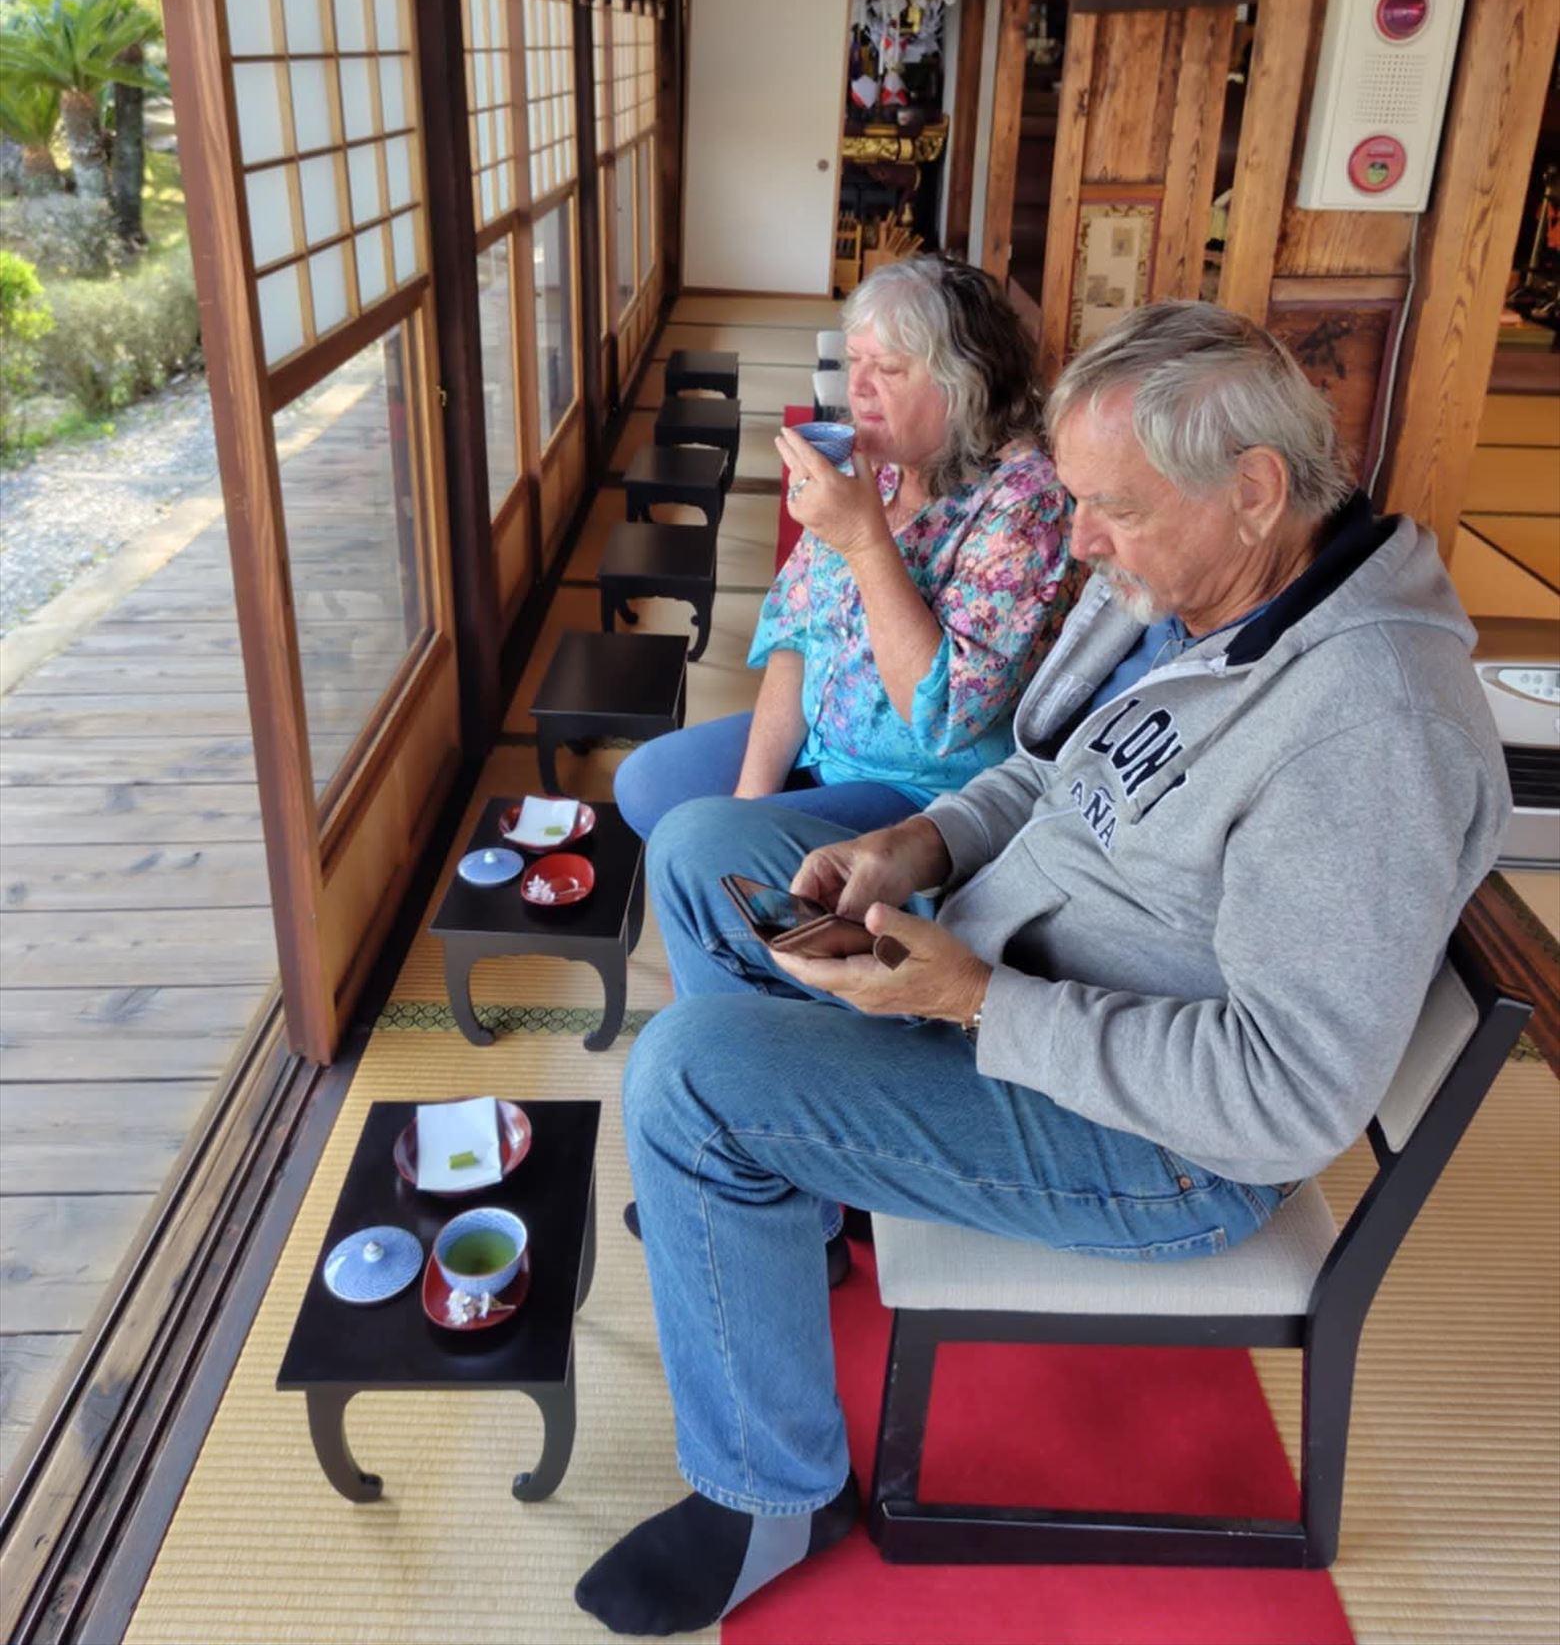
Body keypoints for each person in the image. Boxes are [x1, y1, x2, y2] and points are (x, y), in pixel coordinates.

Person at [574, 301, 1511, 1638]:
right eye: (1073, 501)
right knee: (706, 847)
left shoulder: (1366, 738)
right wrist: (915, 839)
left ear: (1252, 490)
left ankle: (767, 1491)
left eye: (1109, 508)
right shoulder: (1183, 586)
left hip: (1156, 1145)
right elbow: (1042, 763)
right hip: (1010, 963)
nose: (1079, 541)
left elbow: (1288, 1100)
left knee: (690, 1080)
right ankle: (790, 1196)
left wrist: (975, 1000)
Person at [613, 257, 1074, 840]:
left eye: (887, 369)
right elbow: (796, 631)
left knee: (698, 844)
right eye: (854, 361)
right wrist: (750, 799)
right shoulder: (873, 466)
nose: (856, 388)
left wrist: (862, 538)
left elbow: (945, 715)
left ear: (964, 385)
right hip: (822, 736)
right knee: (646, 782)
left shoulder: (1026, 504)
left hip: (920, 788)